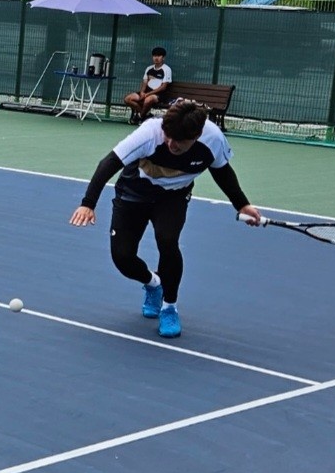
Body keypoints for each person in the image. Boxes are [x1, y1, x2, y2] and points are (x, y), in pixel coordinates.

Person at [69, 99, 262, 338]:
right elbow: (109, 163)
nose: (171, 144)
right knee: (122, 258)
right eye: (168, 137)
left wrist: (242, 204)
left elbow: (222, 171)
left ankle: (169, 307)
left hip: (173, 197)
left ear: (197, 135)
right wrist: (88, 204)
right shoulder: (150, 132)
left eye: (179, 141)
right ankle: (154, 284)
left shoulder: (213, 139)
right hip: (134, 192)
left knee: (168, 241)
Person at [124, 46, 172, 125]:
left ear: (163, 58)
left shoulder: (167, 69)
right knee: (128, 99)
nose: (156, 58)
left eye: (159, 56)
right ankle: (146, 115)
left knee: (148, 100)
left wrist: (148, 94)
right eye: (154, 56)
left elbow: (163, 87)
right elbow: (144, 82)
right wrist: (142, 92)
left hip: (159, 95)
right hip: (146, 93)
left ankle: (140, 117)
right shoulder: (149, 68)